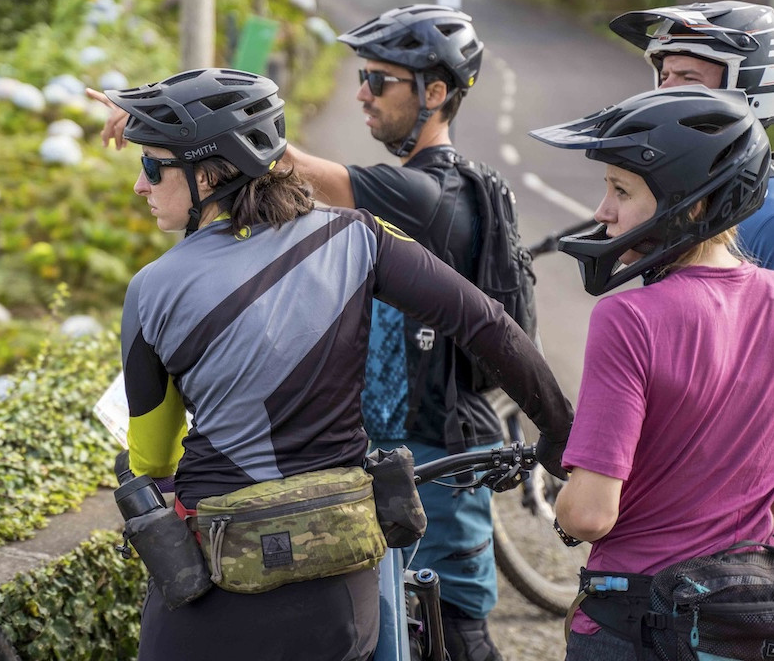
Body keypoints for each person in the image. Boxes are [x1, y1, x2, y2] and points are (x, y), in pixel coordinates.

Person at [97, 67, 574, 661]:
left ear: (211, 172)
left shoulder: (151, 290)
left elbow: (153, 459)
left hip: (220, 577)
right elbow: (486, 324)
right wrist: (560, 429)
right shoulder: (359, 237)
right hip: (339, 580)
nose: (141, 187)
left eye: (152, 166)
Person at [278, 3, 516, 661]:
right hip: (413, 453)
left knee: (457, 633)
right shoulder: (452, 186)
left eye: (378, 80)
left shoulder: (428, 194)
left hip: (433, 461)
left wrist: (170, 124)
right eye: (362, 76)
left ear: (434, 93)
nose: (360, 93)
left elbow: (284, 166)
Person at [529, 86, 774, 660]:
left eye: (621, 190)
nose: (601, 212)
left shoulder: (628, 317)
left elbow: (591, 514)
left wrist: (563, 500)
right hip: (742, 620)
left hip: (635, 621)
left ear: (690, 204)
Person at [609, 0, 774, 268]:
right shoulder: (681, 195)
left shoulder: (768, 222)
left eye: (688, 78)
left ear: (750, 88)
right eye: (664, 76)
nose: (665, 91)